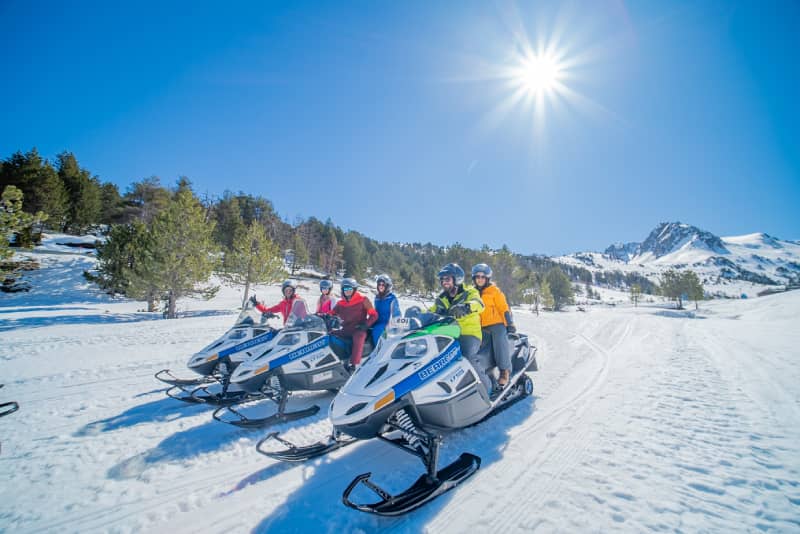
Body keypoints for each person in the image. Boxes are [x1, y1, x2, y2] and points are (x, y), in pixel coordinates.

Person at [428, 263, 490, 395]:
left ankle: (487, 389)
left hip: (468, 334)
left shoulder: (469, 292)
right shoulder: (441, 298)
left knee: (467, 356)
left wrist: (466, 307)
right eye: (442, 280)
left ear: (457, 279)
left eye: (447, 279)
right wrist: (417, 314)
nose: (444, 282)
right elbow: (430, 312)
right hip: (448, 334)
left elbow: (479, 304)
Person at [471, 263, 516, 390]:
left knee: (499, 341)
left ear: (487, 278)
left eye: (482, 277)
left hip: (496, 324)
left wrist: (510, 324)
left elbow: (504, 309)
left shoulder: (494, 291)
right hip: (480, 327)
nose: (480, 279)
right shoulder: (472, 292)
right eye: (477, 277)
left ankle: (504, 371)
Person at [332, 277, 378, 369]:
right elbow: (331, 313)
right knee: (329, 335)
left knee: (359, 337)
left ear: (354, 290)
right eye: (345, 289)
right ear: (342, 290)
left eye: (350, 289)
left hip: (358, 329)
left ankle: (354, 364)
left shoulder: (363, 300)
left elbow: (374, 315)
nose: (347, 291)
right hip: (345, 329)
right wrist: (322, 316)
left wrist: (365, 325)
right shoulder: (341, 303)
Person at [371, 274, 401, 344]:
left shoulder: (392, 298)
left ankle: (379, 351)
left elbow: (396, 314)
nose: (380, 286)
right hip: (377, 321)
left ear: (387, 286)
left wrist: (398, 328)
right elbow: (376, 311)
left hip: (387, 324)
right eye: (379, 284)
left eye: (383, 284)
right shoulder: (377, 298)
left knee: (377, 330)